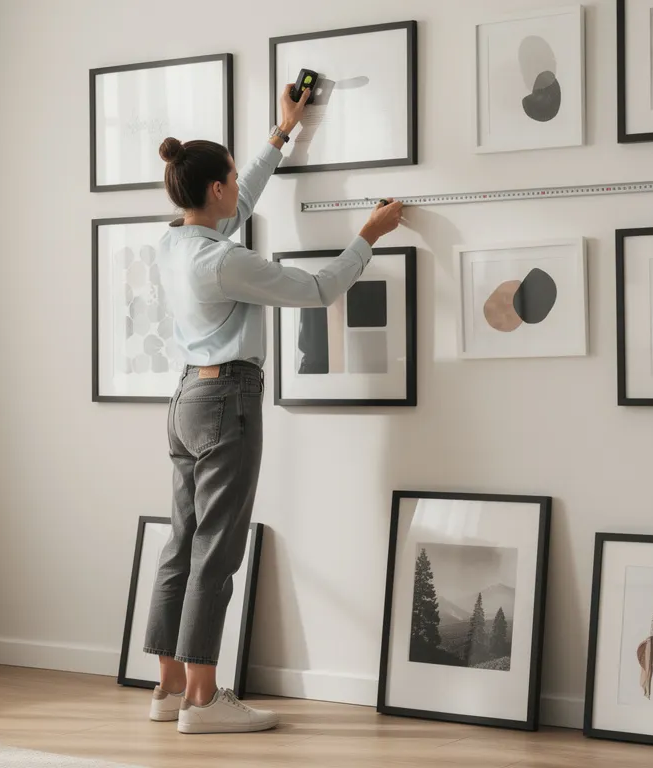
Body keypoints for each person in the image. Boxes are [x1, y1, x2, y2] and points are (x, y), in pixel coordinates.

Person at [141, 83, 405, 735]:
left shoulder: (175, 243)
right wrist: (368, 234)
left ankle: (168, 686)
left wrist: (280, 133)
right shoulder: (225, 262)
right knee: (217, 550)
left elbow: (244, 199)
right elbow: (318, 290)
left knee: (182, 543)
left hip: (185, 402)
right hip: (228, 400)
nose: (238, 185)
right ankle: (204, 701)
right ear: (215, 191)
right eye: (232, 176)